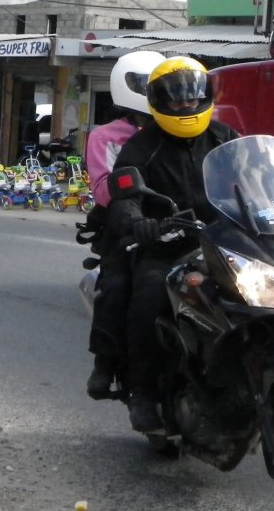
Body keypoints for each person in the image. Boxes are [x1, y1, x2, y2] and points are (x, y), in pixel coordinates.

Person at [107, 56, 239, 432]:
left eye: (192, 97)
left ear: (205, 97)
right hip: (167, 246)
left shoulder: (225, 137)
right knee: (148, 295)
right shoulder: (142, 146)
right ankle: (143, 393)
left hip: (225, 244)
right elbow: (123, 196)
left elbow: (255, 174)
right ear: (158, 101)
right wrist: (138, 221)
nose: (186, 105)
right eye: (176, 99)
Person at [82, 50, 166, 398]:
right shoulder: (106, 137)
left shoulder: (180, 130)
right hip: (126, 226)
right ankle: (106, 361)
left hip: (179, 221)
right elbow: (103, 192)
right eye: (144, 85)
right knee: (116, 285)